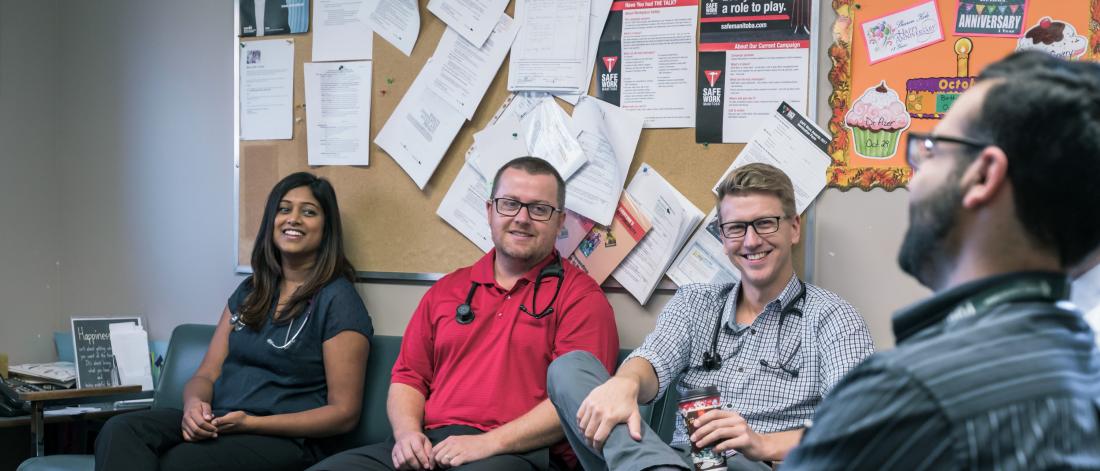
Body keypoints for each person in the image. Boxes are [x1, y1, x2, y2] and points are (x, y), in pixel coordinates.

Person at [784, 50, 1100, 469]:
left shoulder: (906, 395)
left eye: (932, 148)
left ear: (983, 176)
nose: (914, 178)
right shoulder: (1082, 369)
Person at [547, 162, 874, 470]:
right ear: (723, 237)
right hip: (679, 458)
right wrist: (626, 382)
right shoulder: (694, 303)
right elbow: (653, 359)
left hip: (750, 466)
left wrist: (761, 443)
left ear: (793, 228)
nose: (750, 241)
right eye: (735, 228)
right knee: (569, 368)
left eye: (764, 223)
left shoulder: (834, 319)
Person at [311, 157, 619, 471]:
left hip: (521, 454)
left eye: (539, 209)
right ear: (489, 211)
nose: (522, 218)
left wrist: (487, 443)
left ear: (559, 222)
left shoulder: (581, 299)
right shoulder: (446, 291)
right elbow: (409, 377)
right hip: (429, 445)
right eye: (509, 204)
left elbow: (578, 403)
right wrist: (407, 435)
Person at [95, 172, 373, 471]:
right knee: (119, 430)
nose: (293, 219)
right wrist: (194, 407)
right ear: (271, 221)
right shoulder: (251, 291)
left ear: (327, 228)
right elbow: (206, 374)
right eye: (284, 209)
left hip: (288, 439)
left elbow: (344, 413)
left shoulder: (338, 300)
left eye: (309, 212)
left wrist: (252, 423)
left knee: (180, 462)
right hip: (224, 420)